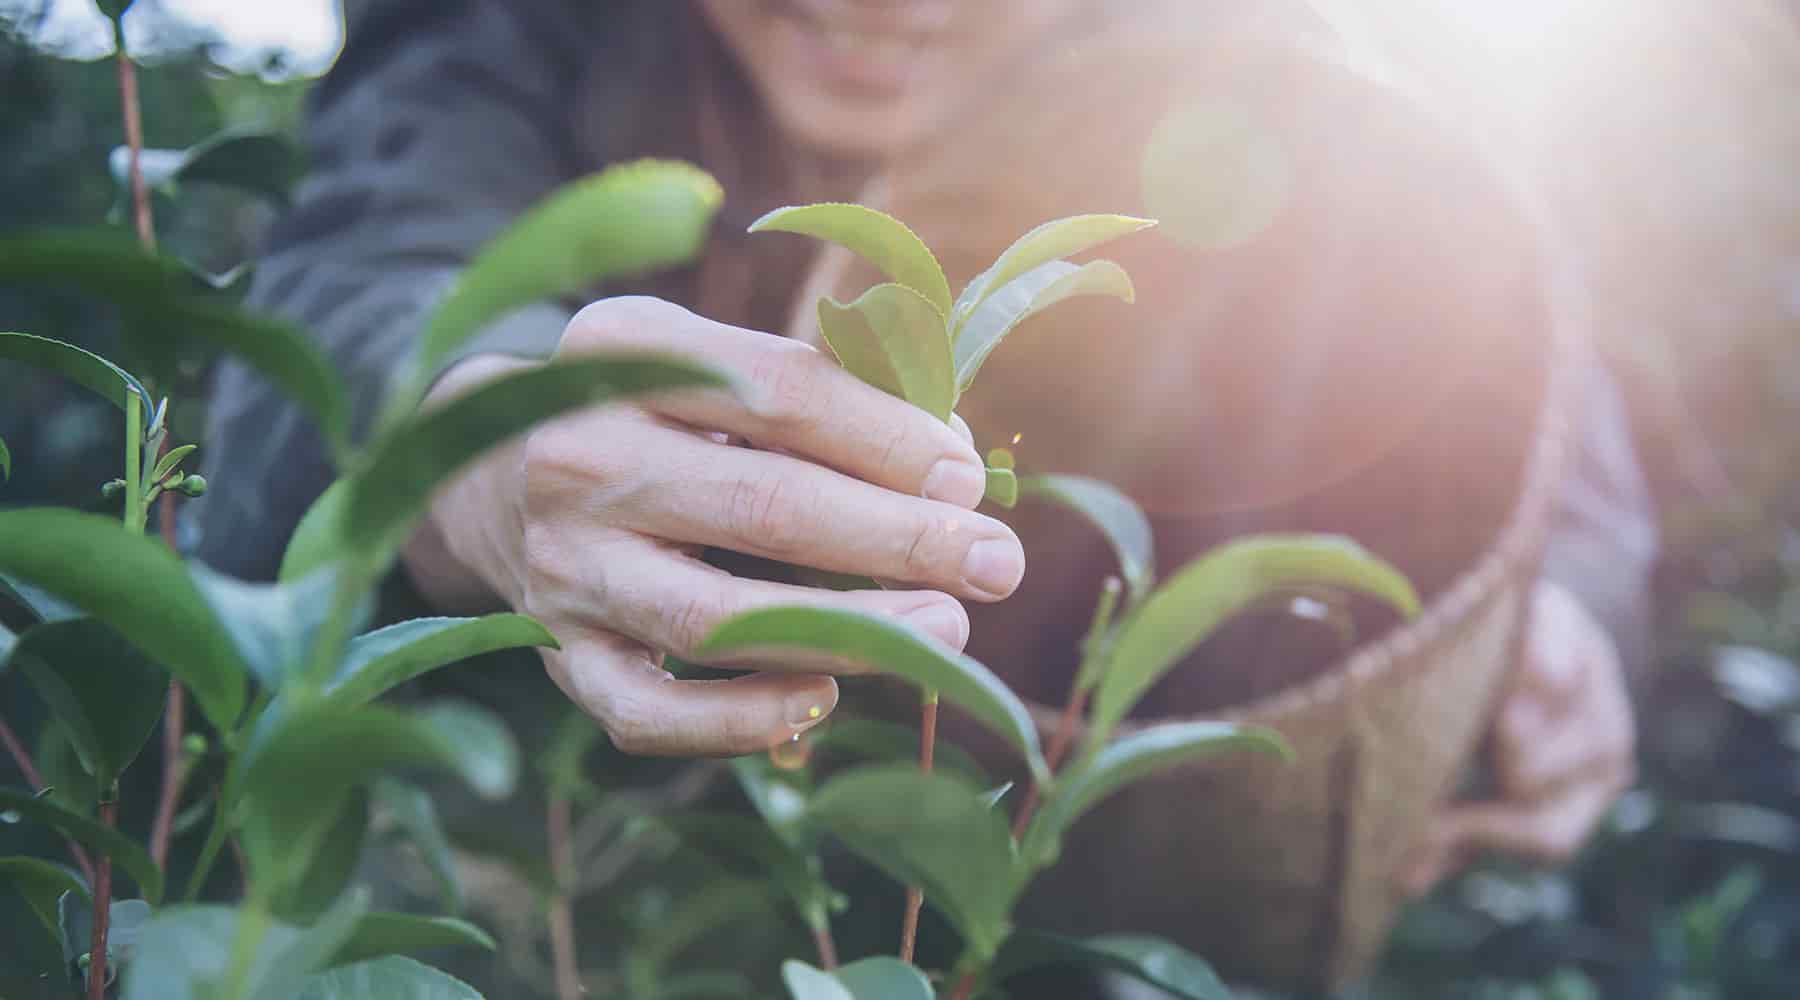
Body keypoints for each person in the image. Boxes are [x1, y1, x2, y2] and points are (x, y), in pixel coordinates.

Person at [194, 0, 1652, 987]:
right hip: (650, 861)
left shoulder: (1279, 56)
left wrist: (1564, 617)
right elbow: (365, 264)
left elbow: (1531, 364)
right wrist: (487, 444)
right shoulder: (514, 32)